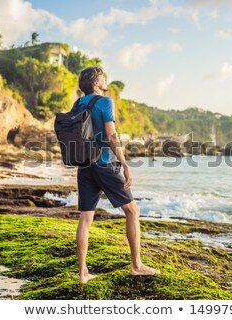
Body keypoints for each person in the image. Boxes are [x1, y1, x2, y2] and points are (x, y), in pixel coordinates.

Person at [75, 66, 160, 284]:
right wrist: (124, 163)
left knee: (86, 218)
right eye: (102, 76)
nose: (105, 80)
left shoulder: (78, 103)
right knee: (133, 211)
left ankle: (83, 273)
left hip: (84, 165)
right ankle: (136, 266)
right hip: (104, 163)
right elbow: (112, 135)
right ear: (95, 81)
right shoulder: (105, 102)